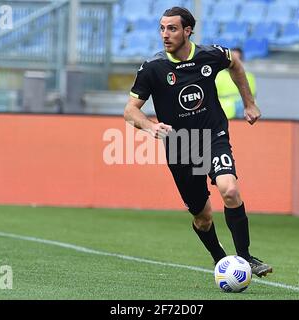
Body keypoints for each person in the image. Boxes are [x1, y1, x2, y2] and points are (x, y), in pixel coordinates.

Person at [124, 7, 272, 277]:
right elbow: (130, 110)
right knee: (202, 218)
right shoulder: (153, 68)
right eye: (162, 28)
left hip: (213, 136)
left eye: (172, 29)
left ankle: (245, 257)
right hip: (180, 146)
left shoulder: (210, 55)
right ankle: (221, 260)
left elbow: (235, 64)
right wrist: (149, 126)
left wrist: (249, 103)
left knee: (229, 190)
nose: (165, 35)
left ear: (188, 31)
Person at [215, 48, 257, 120]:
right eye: (233, 59)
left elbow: (253, 96)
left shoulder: (249, 76)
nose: (234, 62)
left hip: (244, 110)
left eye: (238, 59)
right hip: (225, 110)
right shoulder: (217, 75)